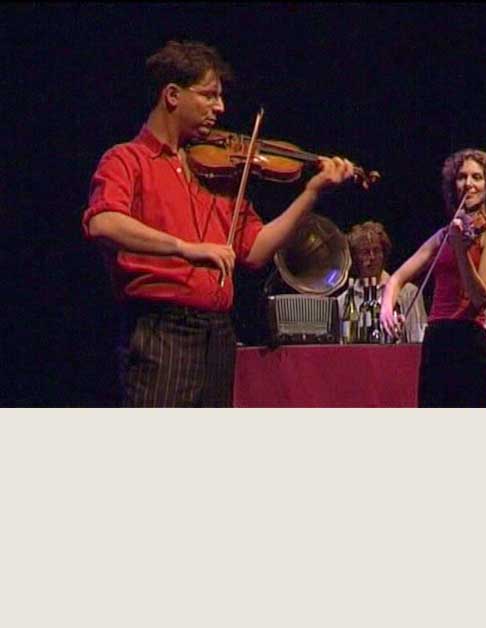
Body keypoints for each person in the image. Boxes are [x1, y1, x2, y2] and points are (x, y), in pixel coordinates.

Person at [82, 40, 354, 407]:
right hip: (162, 333)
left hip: (218, 333)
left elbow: (254, 250)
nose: (220, 108)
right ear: (172, 95)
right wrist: (185, 248)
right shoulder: (127, 159)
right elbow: (103, 223)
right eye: (209, 95)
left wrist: (311, 193)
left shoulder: (218, 172)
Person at [380, 148, 486, 407]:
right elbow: (396, 278)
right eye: (462, 177)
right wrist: (387, 308)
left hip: (469, 343)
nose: (468, 183)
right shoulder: (445, 234)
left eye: (477, 177)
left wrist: (460, 250)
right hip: (436, 342)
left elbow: (479, 297)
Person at [337, 221, 427, 342]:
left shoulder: (408, 292)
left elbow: (418, 339)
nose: (372, 257)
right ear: (355, 257)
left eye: (376, 251)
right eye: (365, 252)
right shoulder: (343, 300)